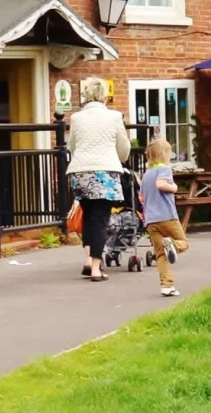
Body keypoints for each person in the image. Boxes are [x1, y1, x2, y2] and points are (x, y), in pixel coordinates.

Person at [66, 77, 130, 282]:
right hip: (105, 172)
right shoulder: (114, 117)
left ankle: (87, 260)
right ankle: (95, 267)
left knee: (87, 215)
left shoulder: (76, 118)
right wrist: (118, 159)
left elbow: (72, 147)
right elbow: (124, 148)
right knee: (100, 219)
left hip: (80, 172)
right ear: (104, 96)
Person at [141, 137, 189, 297]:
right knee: (183, 243)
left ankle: (166, 286)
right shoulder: (165, 169)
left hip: (151, 220)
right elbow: (161, 185)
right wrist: (174, 187)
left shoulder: (146, 174)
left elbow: (141, 197)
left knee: (161, 254)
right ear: (165, 155)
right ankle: (173, 245)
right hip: (167, 216)